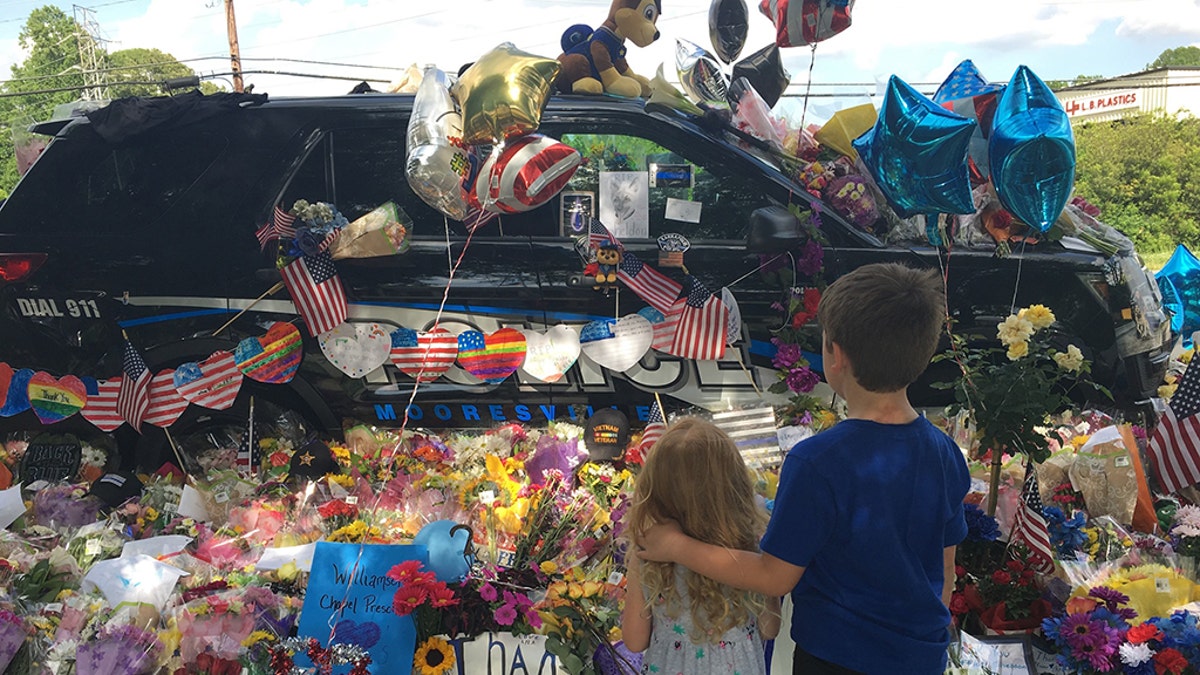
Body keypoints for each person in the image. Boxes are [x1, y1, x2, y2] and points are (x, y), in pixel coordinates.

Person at [638, 263, 970, 674]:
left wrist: (676, 547)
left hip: (836, 659)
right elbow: (946, 569)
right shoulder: (945, 451)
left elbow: (774, 577)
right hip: (921, 657)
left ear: (837, 356)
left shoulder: (817, 461)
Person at [622, 417, 781, 674]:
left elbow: (634, 640)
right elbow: (770, 627)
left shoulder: (648, 552)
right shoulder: (751, 548)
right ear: (735, 484)